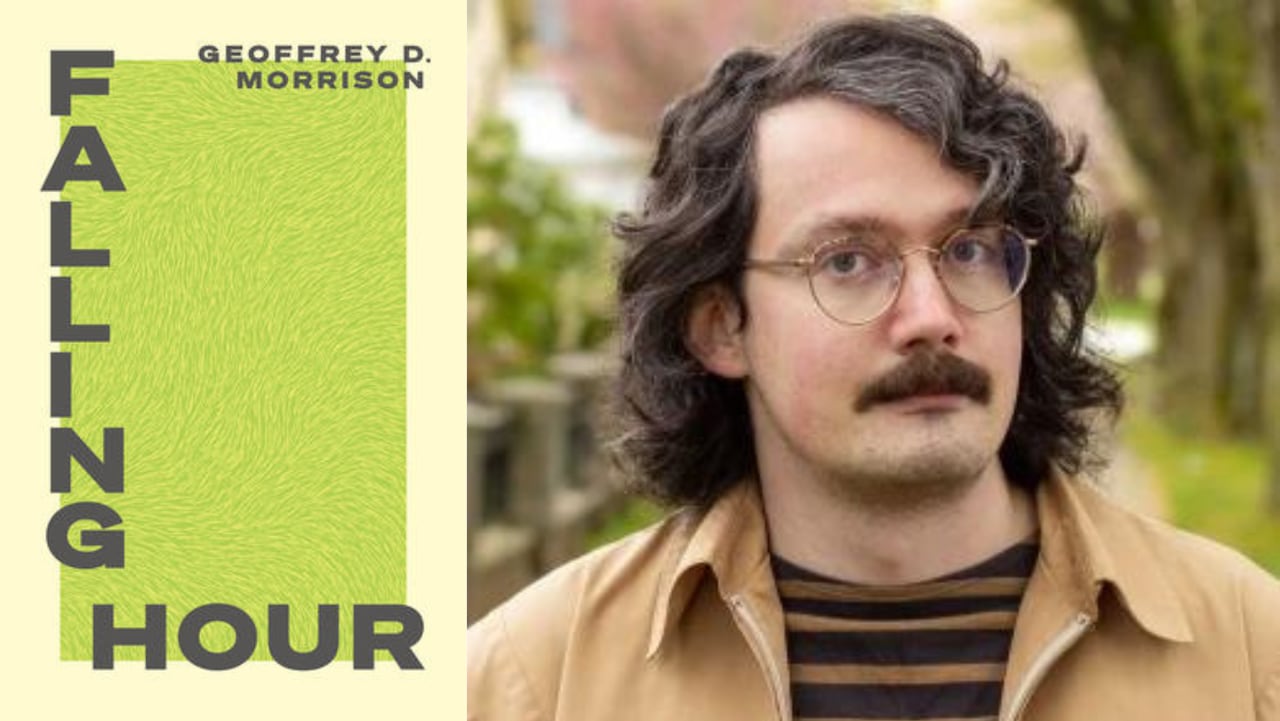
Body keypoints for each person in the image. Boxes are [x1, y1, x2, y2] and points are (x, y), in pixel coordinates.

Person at [468, 13, 1280, 721]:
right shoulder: (532, 681)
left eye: (969, 250)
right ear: (721, 327)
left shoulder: (1251, 656)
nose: (931, 316)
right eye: (848, 261)